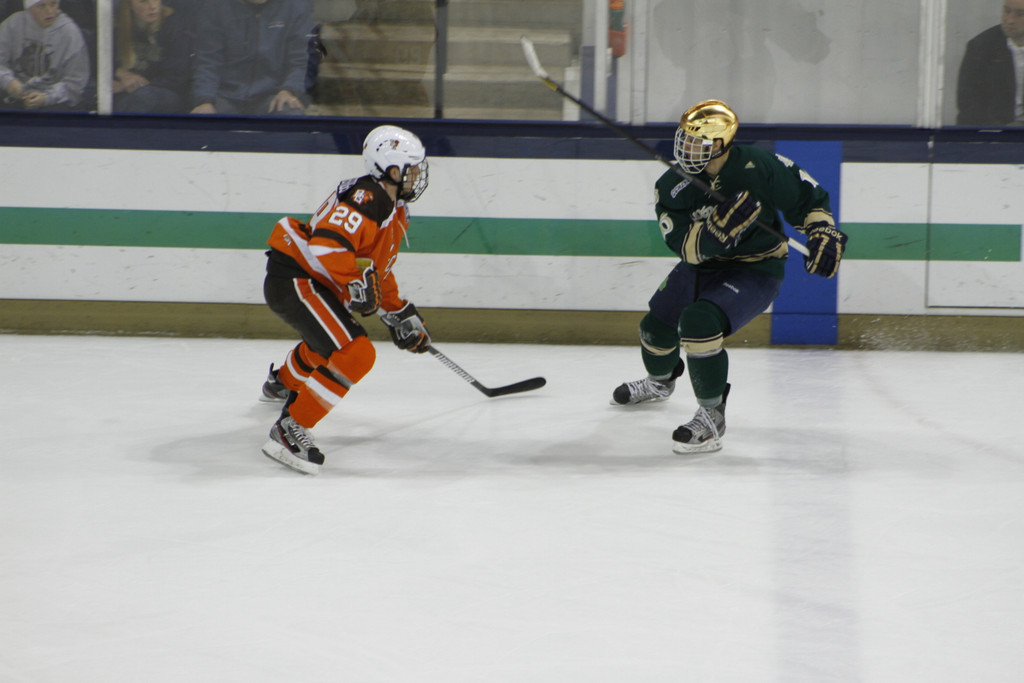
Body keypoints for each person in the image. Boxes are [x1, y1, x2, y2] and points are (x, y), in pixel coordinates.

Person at [611, 99, 848, 454]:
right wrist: (714, 234)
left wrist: (821, 231)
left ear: (721, 144)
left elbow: (807, 197)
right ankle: (660, 383)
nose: (685, 149)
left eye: (697, 143)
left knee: (699, 322)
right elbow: (684, 247)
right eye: (684, 140)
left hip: (755, 268)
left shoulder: (759, 166)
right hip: (700, 265)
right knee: (654, 328)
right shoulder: (671, 185)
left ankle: (712, 416)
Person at [259, 125, 432, 474]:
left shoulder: (394, 210)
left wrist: (399, 312)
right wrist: (355, 281)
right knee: (356, 353)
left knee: (327, 346)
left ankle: (283, 383)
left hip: (308, 281)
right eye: (411, 168)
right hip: (297, 278)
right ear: (390, 169)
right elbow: (326, 244)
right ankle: (290, 428)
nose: (417, 176)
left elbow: (377, 271)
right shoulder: (366, 197)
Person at [190, 0, 313, 116]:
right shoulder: (216, 7)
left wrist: (289, 90)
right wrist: (205, 100)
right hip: (224, 96)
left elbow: (301, 60)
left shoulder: (295, 7)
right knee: (204, 119)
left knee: (290, 115)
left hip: (273, 94)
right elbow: (207, 61)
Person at [0, 0, 89, 110]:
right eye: (41, 6)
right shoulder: (13, 24)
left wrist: (46, 98)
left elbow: (76, 82)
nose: (49, 11)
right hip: (14, 98)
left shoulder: (70, 33)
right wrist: (9, 83)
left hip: (56, 104)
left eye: (53, 4)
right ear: (29, 9)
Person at [113, 0, 191, 113]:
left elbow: (176, 77)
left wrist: (134, 85)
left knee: (142, 97)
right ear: (129, 4)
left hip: (163, 91)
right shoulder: (116, 25)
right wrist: (118, 73)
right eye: (143, 1)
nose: (153, 6)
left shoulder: (174, 26)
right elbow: (96, 62)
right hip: (125, 90)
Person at [957, 0, 1024, 126]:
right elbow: (969, 107)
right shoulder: (981, 48)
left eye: (1020, 14)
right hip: (996, 132)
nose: (1010, 20)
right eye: (1007, 11)